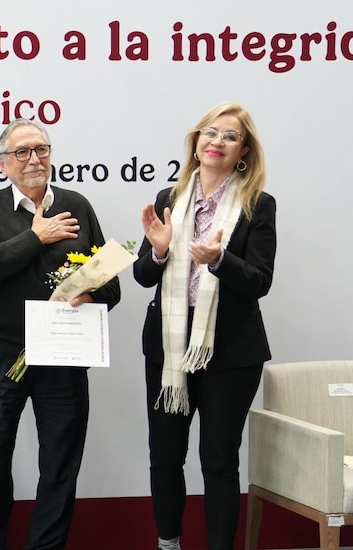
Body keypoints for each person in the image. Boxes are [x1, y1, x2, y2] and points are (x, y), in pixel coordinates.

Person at [0, 118, 120, 549]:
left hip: (64, 357)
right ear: (2, 164)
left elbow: (111, 285)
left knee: (60, 466)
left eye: (41, 149)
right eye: (22, 152)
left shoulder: (76, 205)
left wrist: (90, 294)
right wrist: (35, 237)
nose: (33, 159)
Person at [134, 102, 276, 550]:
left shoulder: (257, 205)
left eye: (230, 136)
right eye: (210, 133)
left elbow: (259, 282)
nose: (217, 141)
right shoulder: (169, 199)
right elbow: (142, 275)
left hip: (229, 351)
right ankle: (168, 544)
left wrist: (219, 260)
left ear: (244, 152)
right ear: (196, 143)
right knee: (165, 457)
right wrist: (159, 251)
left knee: (218, 460)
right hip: (169, 347)